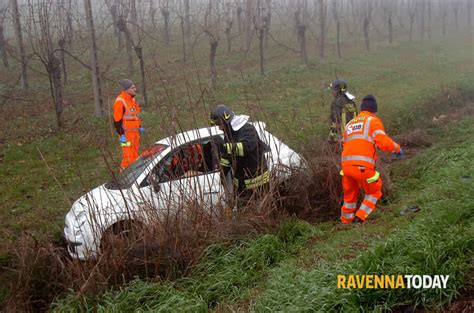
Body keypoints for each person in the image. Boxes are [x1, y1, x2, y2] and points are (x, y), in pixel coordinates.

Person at [340, 95, 403, 224]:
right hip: (363, 167)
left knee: (349, 196)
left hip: (346, 168)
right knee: (374, 191)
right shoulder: (372, 121)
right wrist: (397, 148)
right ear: (374, 111)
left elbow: (344, 143)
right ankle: (360, 217)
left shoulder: (350, 124)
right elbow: (383, 142)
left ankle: (345, 222)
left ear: (361, 109)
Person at [210, 104, 269, 199]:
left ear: (226, 121)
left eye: (220, 125)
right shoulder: (229, 134)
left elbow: (246, 148)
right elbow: (227, 157)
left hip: (257, 183)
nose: (219, 128)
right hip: (241, 184)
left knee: (257, 212)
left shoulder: (247, 129)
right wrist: (222, 174)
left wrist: (224, 147)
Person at [113, 79, 144, 170]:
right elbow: (117, 121)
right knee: (127, 157)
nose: (135, 89)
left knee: (134, 156)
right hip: (125, 135)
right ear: (126, 89)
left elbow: (134, 116)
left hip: (135, 134)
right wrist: (121, 135)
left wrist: (139, 127)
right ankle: (124, 178)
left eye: (134, 87)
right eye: (132, 87)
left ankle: (133, 175)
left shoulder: (132, 100)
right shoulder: (120, 101)